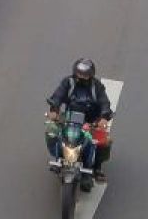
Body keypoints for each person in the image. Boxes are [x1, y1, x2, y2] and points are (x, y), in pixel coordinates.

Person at [47, 58, 113, 188]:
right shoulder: (68, 82)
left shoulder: (97, 87)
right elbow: (58, 96)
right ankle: (58, 158)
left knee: (104, 141)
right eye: (79, 74)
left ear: (91, 75)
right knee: (51, 130)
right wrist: (54, 110)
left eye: (85, 75)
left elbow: (104, 102)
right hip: (70, 118)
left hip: (91, 121)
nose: (82, 77)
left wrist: (104, 117)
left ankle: (96, 168)